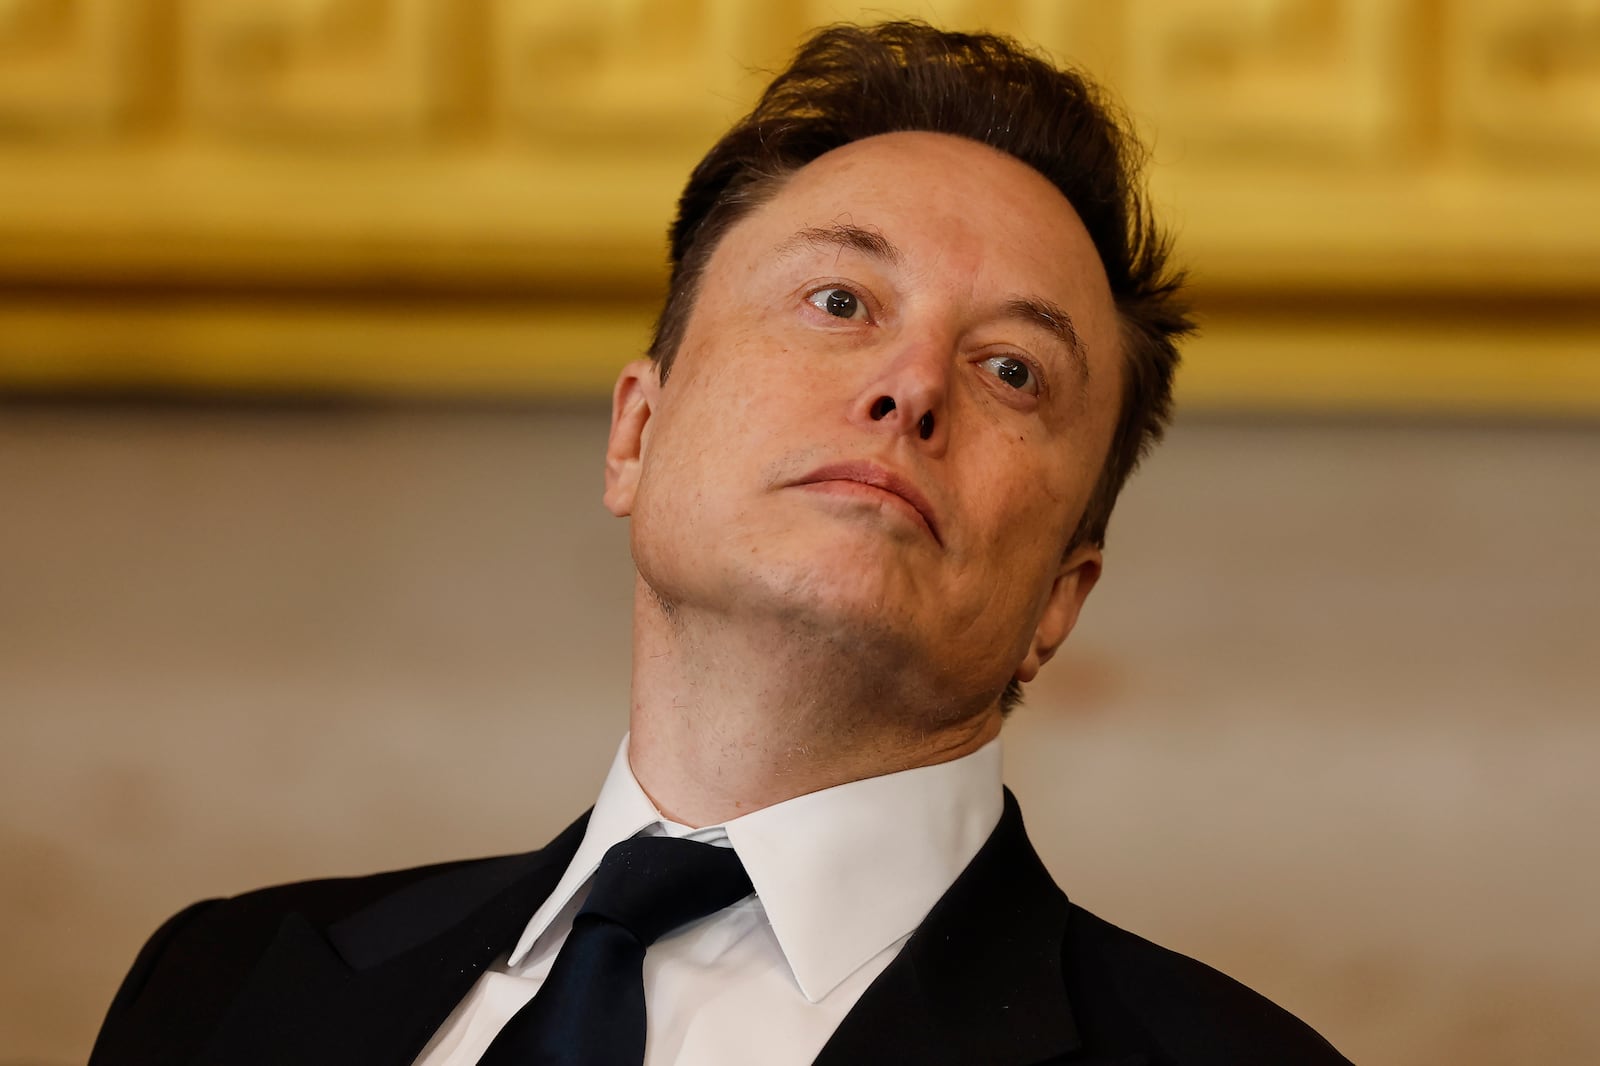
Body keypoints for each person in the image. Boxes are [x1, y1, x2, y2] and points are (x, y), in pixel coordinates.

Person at [90, 21, 1352, 1066]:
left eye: (1012, 369)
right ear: (636, 432)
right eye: (839, 299)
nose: (912, 386)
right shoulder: (219, 987)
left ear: (1059, 601)